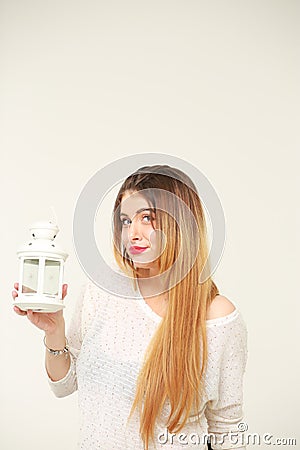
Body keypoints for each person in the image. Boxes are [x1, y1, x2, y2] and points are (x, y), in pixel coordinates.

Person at [12, 164, 248, 450]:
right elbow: (64, 385)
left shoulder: (217, 319)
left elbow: (227, 430)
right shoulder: (102, 290)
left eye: (146, 218)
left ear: (181, 224)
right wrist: (54, 331)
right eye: (125, 221)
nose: (132, 234)